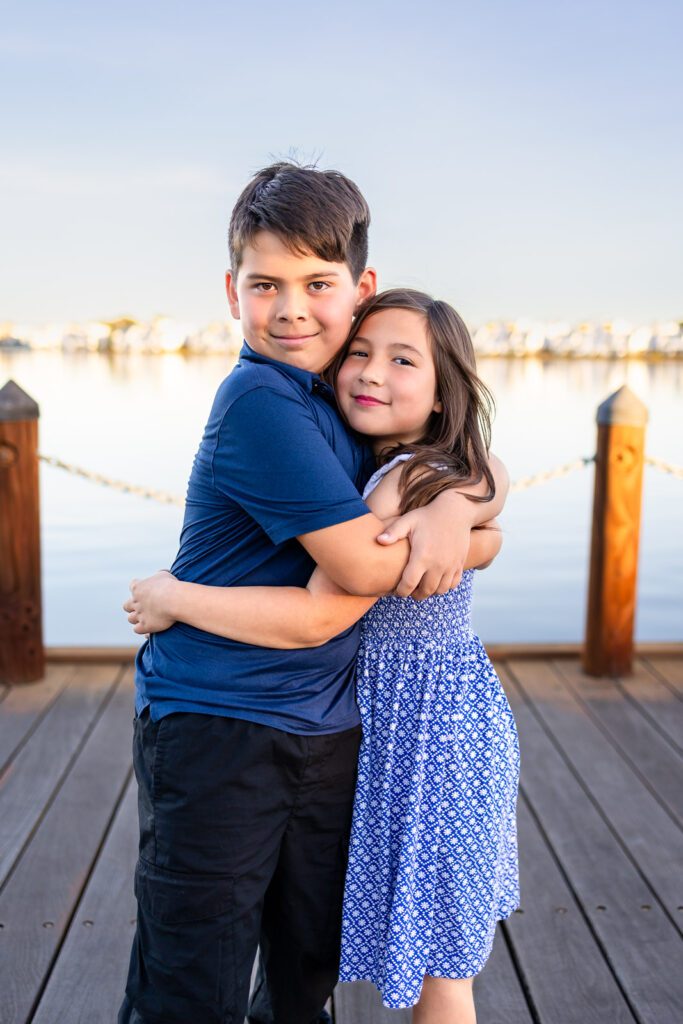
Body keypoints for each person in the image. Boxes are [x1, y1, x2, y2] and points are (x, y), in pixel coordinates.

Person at [119, 161, 509, 1024]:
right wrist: (178, 598)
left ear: (359, 288)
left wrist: (463, 515)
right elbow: (359, 580)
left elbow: (464, 461)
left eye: (316, 283)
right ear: (232, 291)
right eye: (265, 284)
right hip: (223, 722)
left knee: (303, 979)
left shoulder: (342, 396)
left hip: (331, 727)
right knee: (195, 983)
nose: (291, 308)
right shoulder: (262, 397)